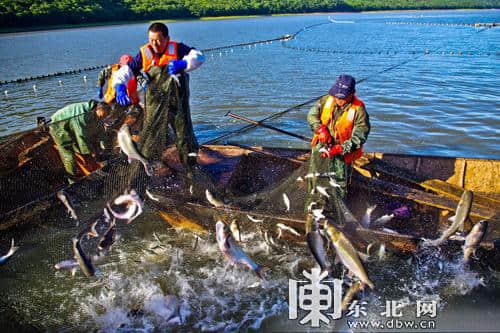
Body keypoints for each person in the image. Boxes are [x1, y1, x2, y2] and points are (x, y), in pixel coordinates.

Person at [111, 22, 205, 179]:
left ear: (167, 38)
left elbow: (199, 56)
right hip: (155, 105)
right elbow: (125, 72)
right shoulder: (144, 53)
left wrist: (184, 63)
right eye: (151, 40)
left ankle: (191, 171)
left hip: (178, 104)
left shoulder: (178, 49)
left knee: (184, 137)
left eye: (158, 40)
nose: (154, 44)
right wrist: (119, 87)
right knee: (150, 139)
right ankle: (144, 173)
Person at [305, 74, 370, 231]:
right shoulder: (326, 100)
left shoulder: (359, 109)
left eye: (342, 97)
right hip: (322, 147)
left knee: (339, 183)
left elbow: (360, 136)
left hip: (342, 153)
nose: (338, 100)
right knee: (315, 177)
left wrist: (340, 148)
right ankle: (314, 208)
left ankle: (335, 213)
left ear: (352, 93)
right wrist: (320, 129)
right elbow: (311, 115)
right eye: (336, 96)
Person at [49, 100, 111, 183]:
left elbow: (100, 130)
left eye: (105, 117)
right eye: (101, 116)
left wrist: (105, 147)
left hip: (72, 125)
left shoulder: (96, 112)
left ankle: (83, 167)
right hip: (58, 126)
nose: (103, 118)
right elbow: (81, 137)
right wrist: (92, 153)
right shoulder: (82, 116)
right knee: (69, 156)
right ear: (97, 110)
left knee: (86, 146)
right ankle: (72, 182)